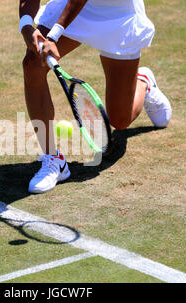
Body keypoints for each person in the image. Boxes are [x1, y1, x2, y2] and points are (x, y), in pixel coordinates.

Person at [19, 0, 172, 194]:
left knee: (120, 120)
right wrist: (25, 25)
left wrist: (55, 34)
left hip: (118, 15)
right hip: (73, 7)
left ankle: (143, 83)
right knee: (33, 63)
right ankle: (53, 159)